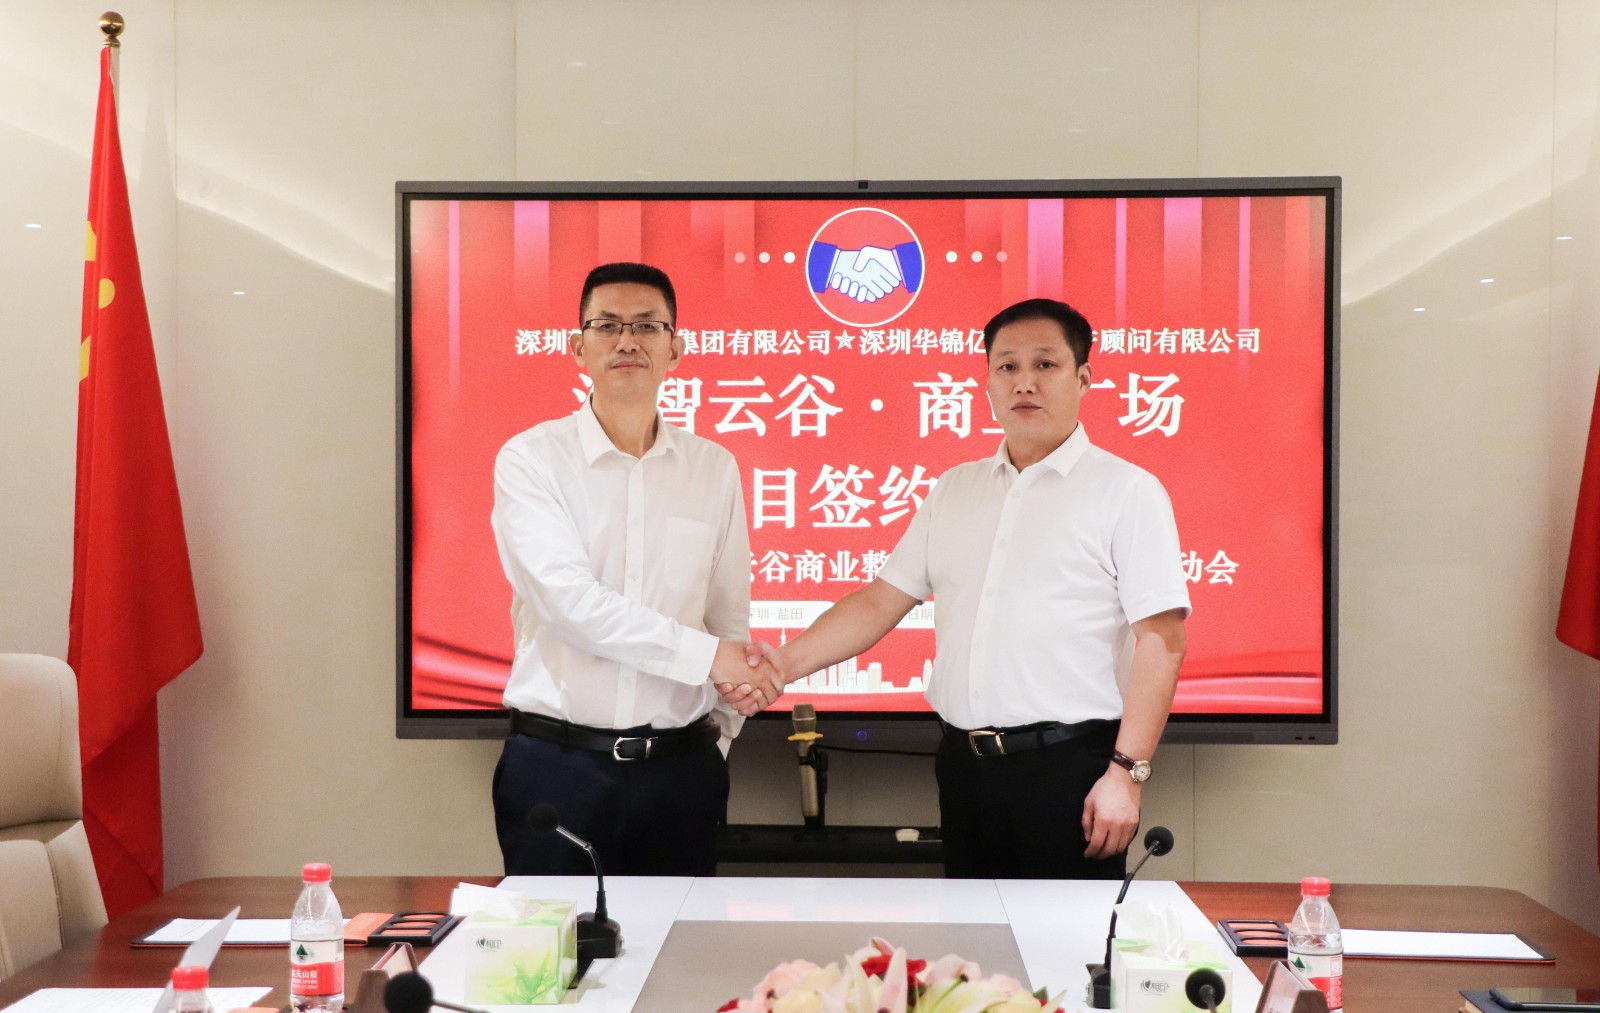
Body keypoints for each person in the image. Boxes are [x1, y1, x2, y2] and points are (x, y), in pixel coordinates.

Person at [746, 298, 1189, 879]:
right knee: (974, 935)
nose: (1024, 382)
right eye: (1007, 367)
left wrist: (1127, 773)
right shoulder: (955, 489)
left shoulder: (1126, 491)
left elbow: (1162, 639)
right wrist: (782, 665)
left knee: (1063, 937)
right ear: (987, 382)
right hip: (963, 766)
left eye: (1045, 364)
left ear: (1083, 377)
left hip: (1072, 771)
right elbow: (880, 602)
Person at [490, 262, 781, 876]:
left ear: (676, 348)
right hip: (558, 767)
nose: (628, 340)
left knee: (679, 940)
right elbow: (567, 603)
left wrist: (719, 741)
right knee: (555, 939)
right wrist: (708, 658)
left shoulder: (713, 468)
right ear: (578, 348)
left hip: (682, 774)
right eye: (608, 325)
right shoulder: (531, 459)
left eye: (648, 326)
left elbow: (727, 615)